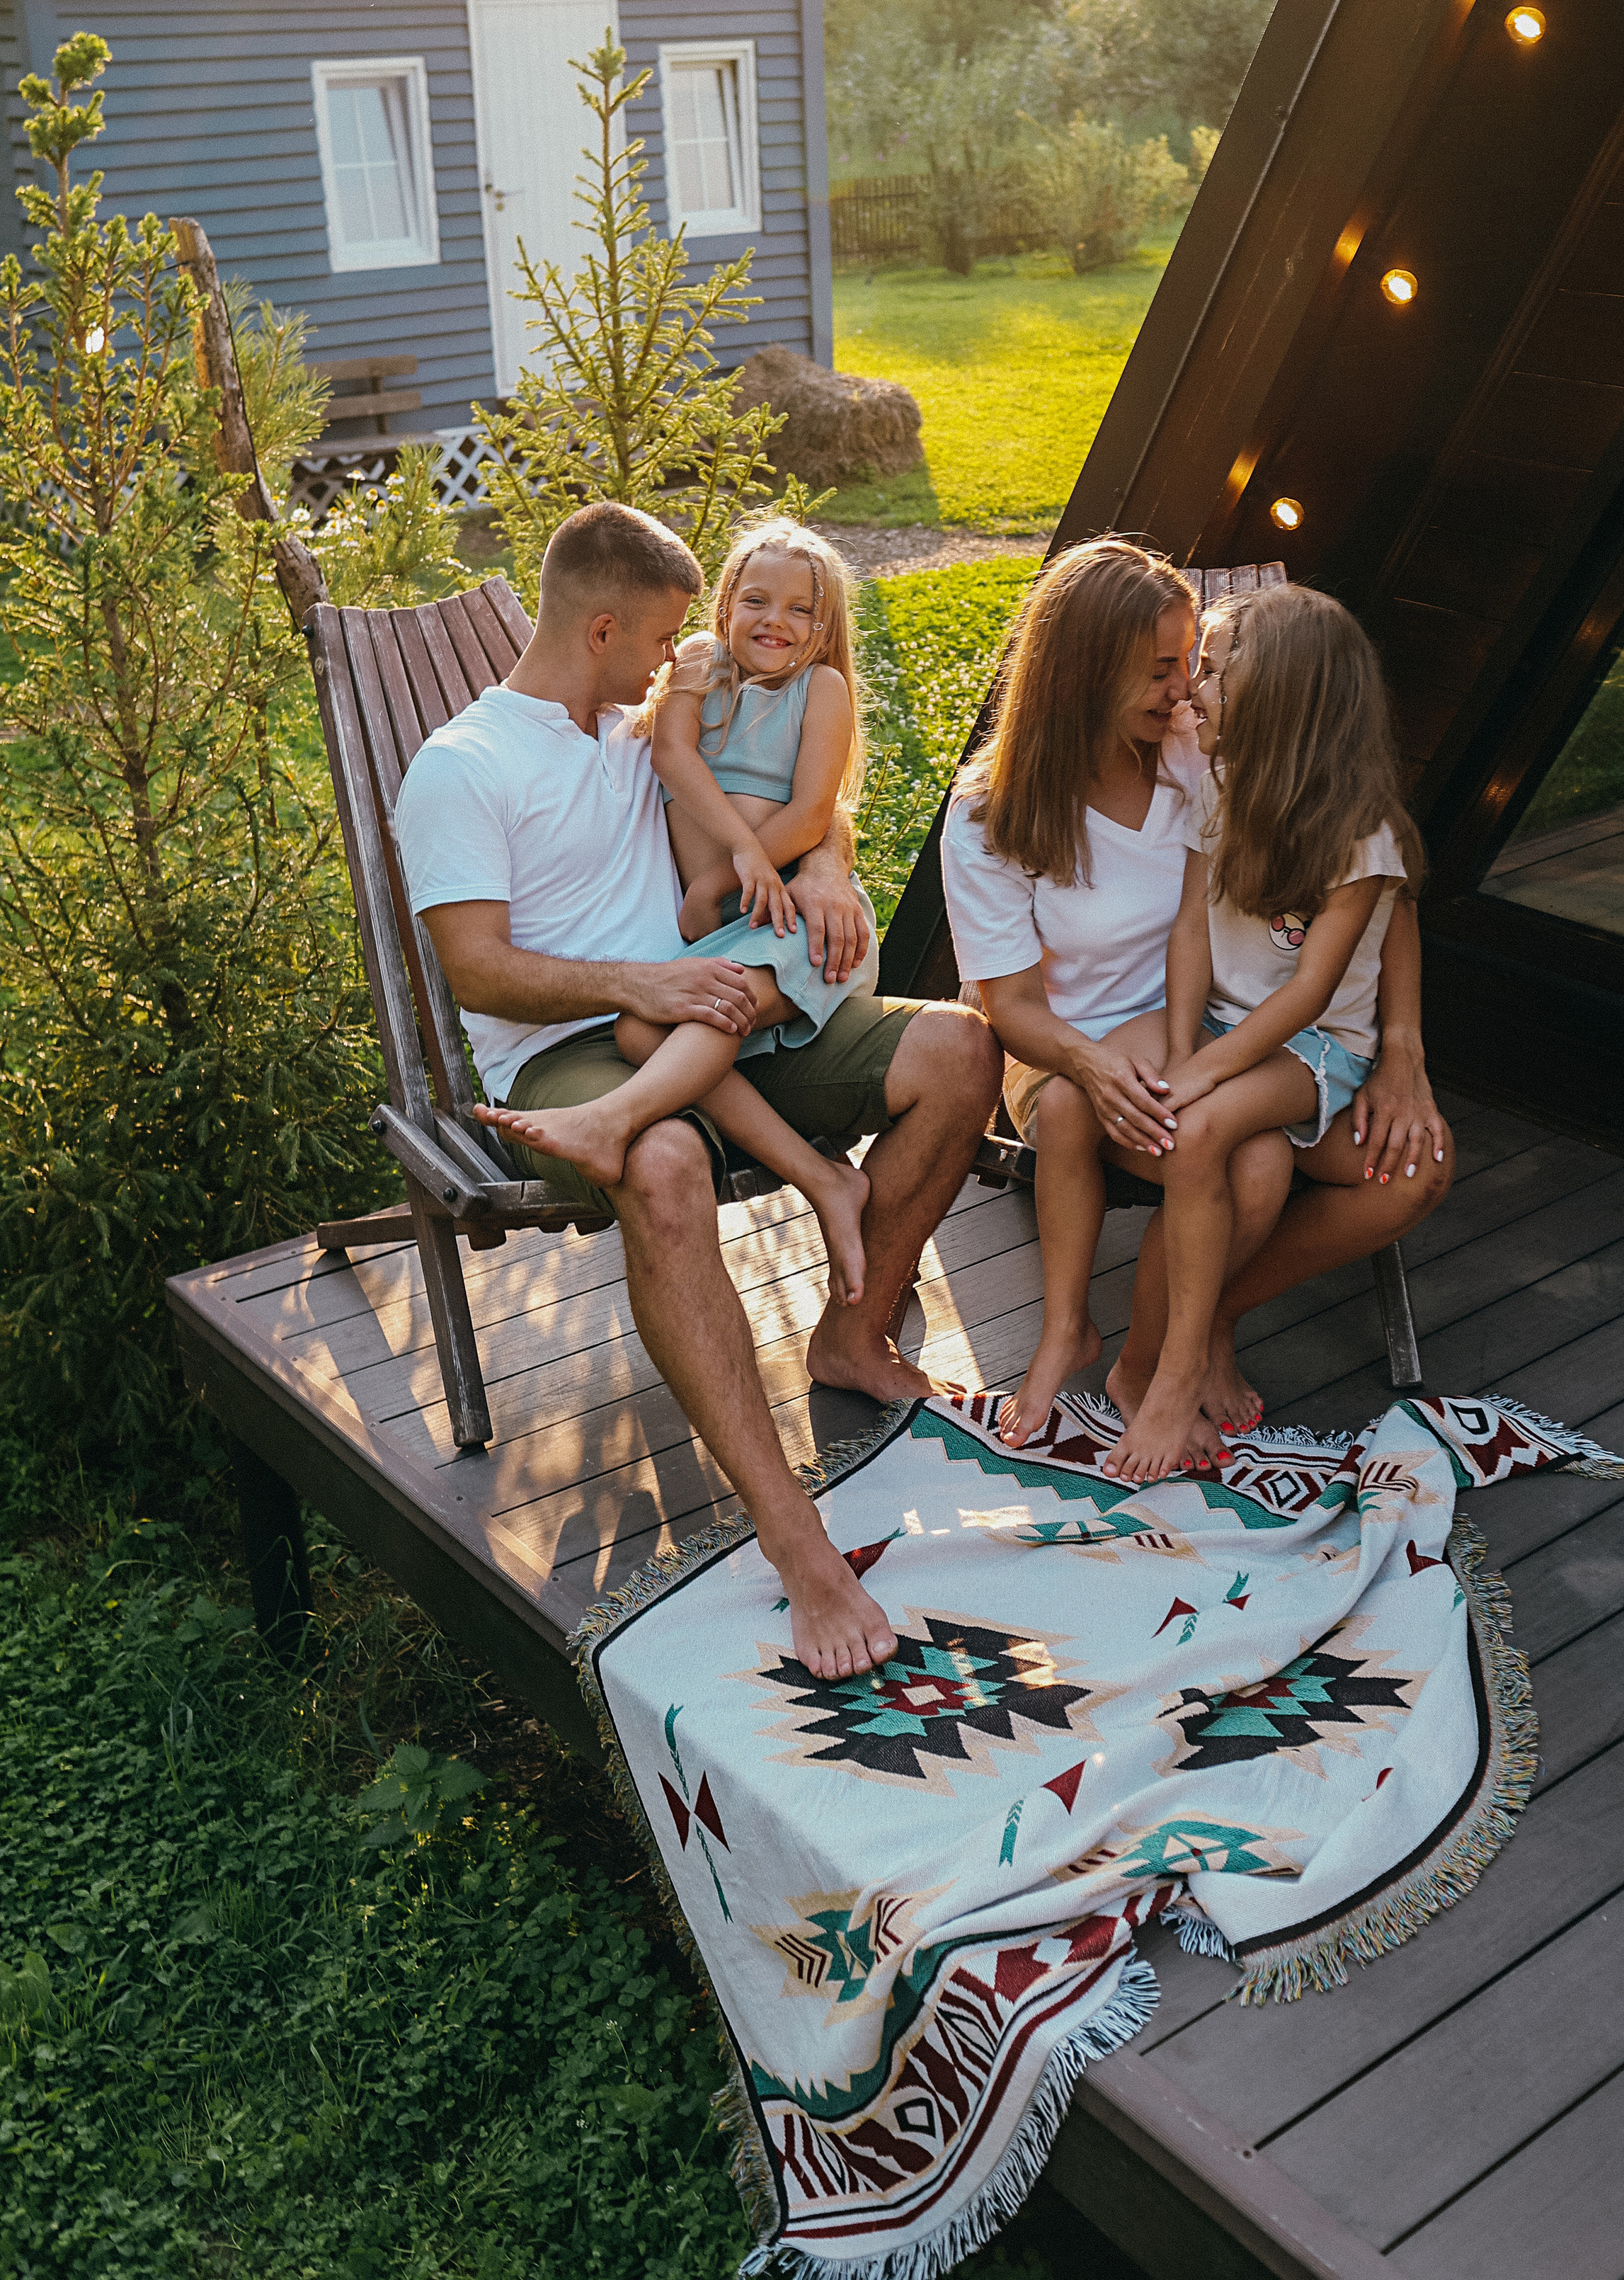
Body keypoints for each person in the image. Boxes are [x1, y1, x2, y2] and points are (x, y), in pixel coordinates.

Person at [393, 500, 1002, 1682]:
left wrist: (822, 864)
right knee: (661, 1158)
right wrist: (646, 981)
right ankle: (797, 1539)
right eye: (670, 636)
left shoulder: (641, 720)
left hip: (714, 999)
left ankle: (851, 1333)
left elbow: (774, 792)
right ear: (607, 627)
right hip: (570, 1046)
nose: (692, 656)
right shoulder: (463, 767)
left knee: (959, 1052)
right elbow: (476, 966)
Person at [939, 539, 1447, 1466]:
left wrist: (1403, 1048)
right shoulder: (988, 813)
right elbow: (1008, 1007)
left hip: (1232, 1029)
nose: (1184, 689)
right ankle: (1137, 1358)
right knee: (1237, 1164)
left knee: (1398, 1174)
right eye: (1163, 668)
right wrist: (1100, 1065)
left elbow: (1379, 895)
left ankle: (1197, 1328)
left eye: (1194, 665)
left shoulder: (1200, 746)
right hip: (1073, 1047)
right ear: (1084, 672)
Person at [476, 518, 879, 1308]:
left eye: (802, 610)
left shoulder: (819, 690)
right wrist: (736, 866)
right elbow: (673, 756)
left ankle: (610, 1119)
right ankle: (827, 1181)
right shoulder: (697, 666)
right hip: (730, 929)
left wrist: (741, 875)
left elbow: (814, 812)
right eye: (756, 600)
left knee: (693, 1021)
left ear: (825, 626)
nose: (776, 622)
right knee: (639, 1030)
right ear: (724, 605)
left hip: (796, 928)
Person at [1099, 580, 1428, 1483]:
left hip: (1314, 1045)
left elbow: (1313, 991)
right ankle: (1169, 1352)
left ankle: (1159, 1377)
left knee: (1197, 1125)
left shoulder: (1362, 836)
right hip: (1224, 1025)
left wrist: (1203, 1075)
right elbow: (1188, 930)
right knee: (1182, 1123)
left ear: (1276, 695)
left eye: (1213, 672)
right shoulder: (1223, 785)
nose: (1193, 689)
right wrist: (1177, 1050)